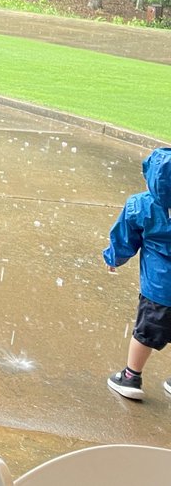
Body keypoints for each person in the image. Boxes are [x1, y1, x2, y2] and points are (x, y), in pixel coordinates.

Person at [103, 146, 171, 401]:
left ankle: (132, 377)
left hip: (159, 290)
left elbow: (124, 238)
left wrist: (114, 258)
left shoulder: (140, 205)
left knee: (145, 333)